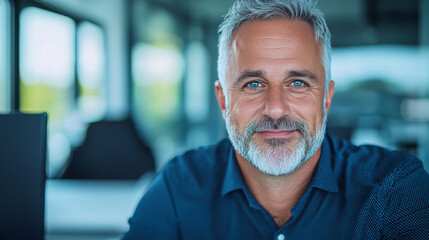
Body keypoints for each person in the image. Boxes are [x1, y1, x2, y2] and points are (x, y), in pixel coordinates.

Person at [123, 0, 429, 239]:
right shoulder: (179, 187)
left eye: (297, 83)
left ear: (326, 98)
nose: (276, 109)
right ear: (223, 101)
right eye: (253, 84)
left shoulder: (395, 188)